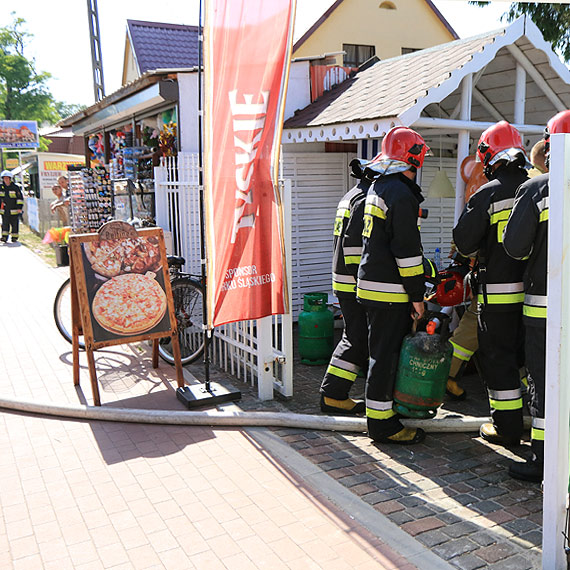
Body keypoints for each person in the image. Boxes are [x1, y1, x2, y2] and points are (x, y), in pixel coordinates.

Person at [453, 121, 530, 447]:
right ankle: (540, 419)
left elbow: (464, 242)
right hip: (537, 299)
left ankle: (507, 427)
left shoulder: (488, 194)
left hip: (497, 298)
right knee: (529, 360)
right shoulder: (540, 189)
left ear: (487, 156)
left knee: (497, 360)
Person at [503, 109, 570, 483]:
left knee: (545, 387)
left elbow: (514, 248)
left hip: (545, 311)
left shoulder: (536, 189)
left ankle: (545, 462)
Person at [357, 126, 430, 445]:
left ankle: (383, 413)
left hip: (373, 285)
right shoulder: (400, 194)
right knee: (385, 357)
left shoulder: (378, 187)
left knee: (380, 354)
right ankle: (382, 426)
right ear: (413, 159)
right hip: (390, 291)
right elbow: (406, 252)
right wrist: (417, 296)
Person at [320, 159, 372, 415]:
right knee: (357, 338)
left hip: (343, 280)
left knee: (355, 336)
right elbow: (353, 249)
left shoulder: (350, 196)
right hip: (353, 283)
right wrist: (363, 280)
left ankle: (334, 393)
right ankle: (333, 394)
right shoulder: (363, 200)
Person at [0, 170, 24, 243]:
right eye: (4, 178)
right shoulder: (1, 187)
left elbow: (19, 199)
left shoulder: (15, 188)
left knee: (14, 224)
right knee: (5, 224)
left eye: (7, 178)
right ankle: (4, 237)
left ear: (10, 179)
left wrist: (19, 208)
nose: (6, 180)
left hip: (14, 210)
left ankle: (14, 237)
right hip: (4, 210)